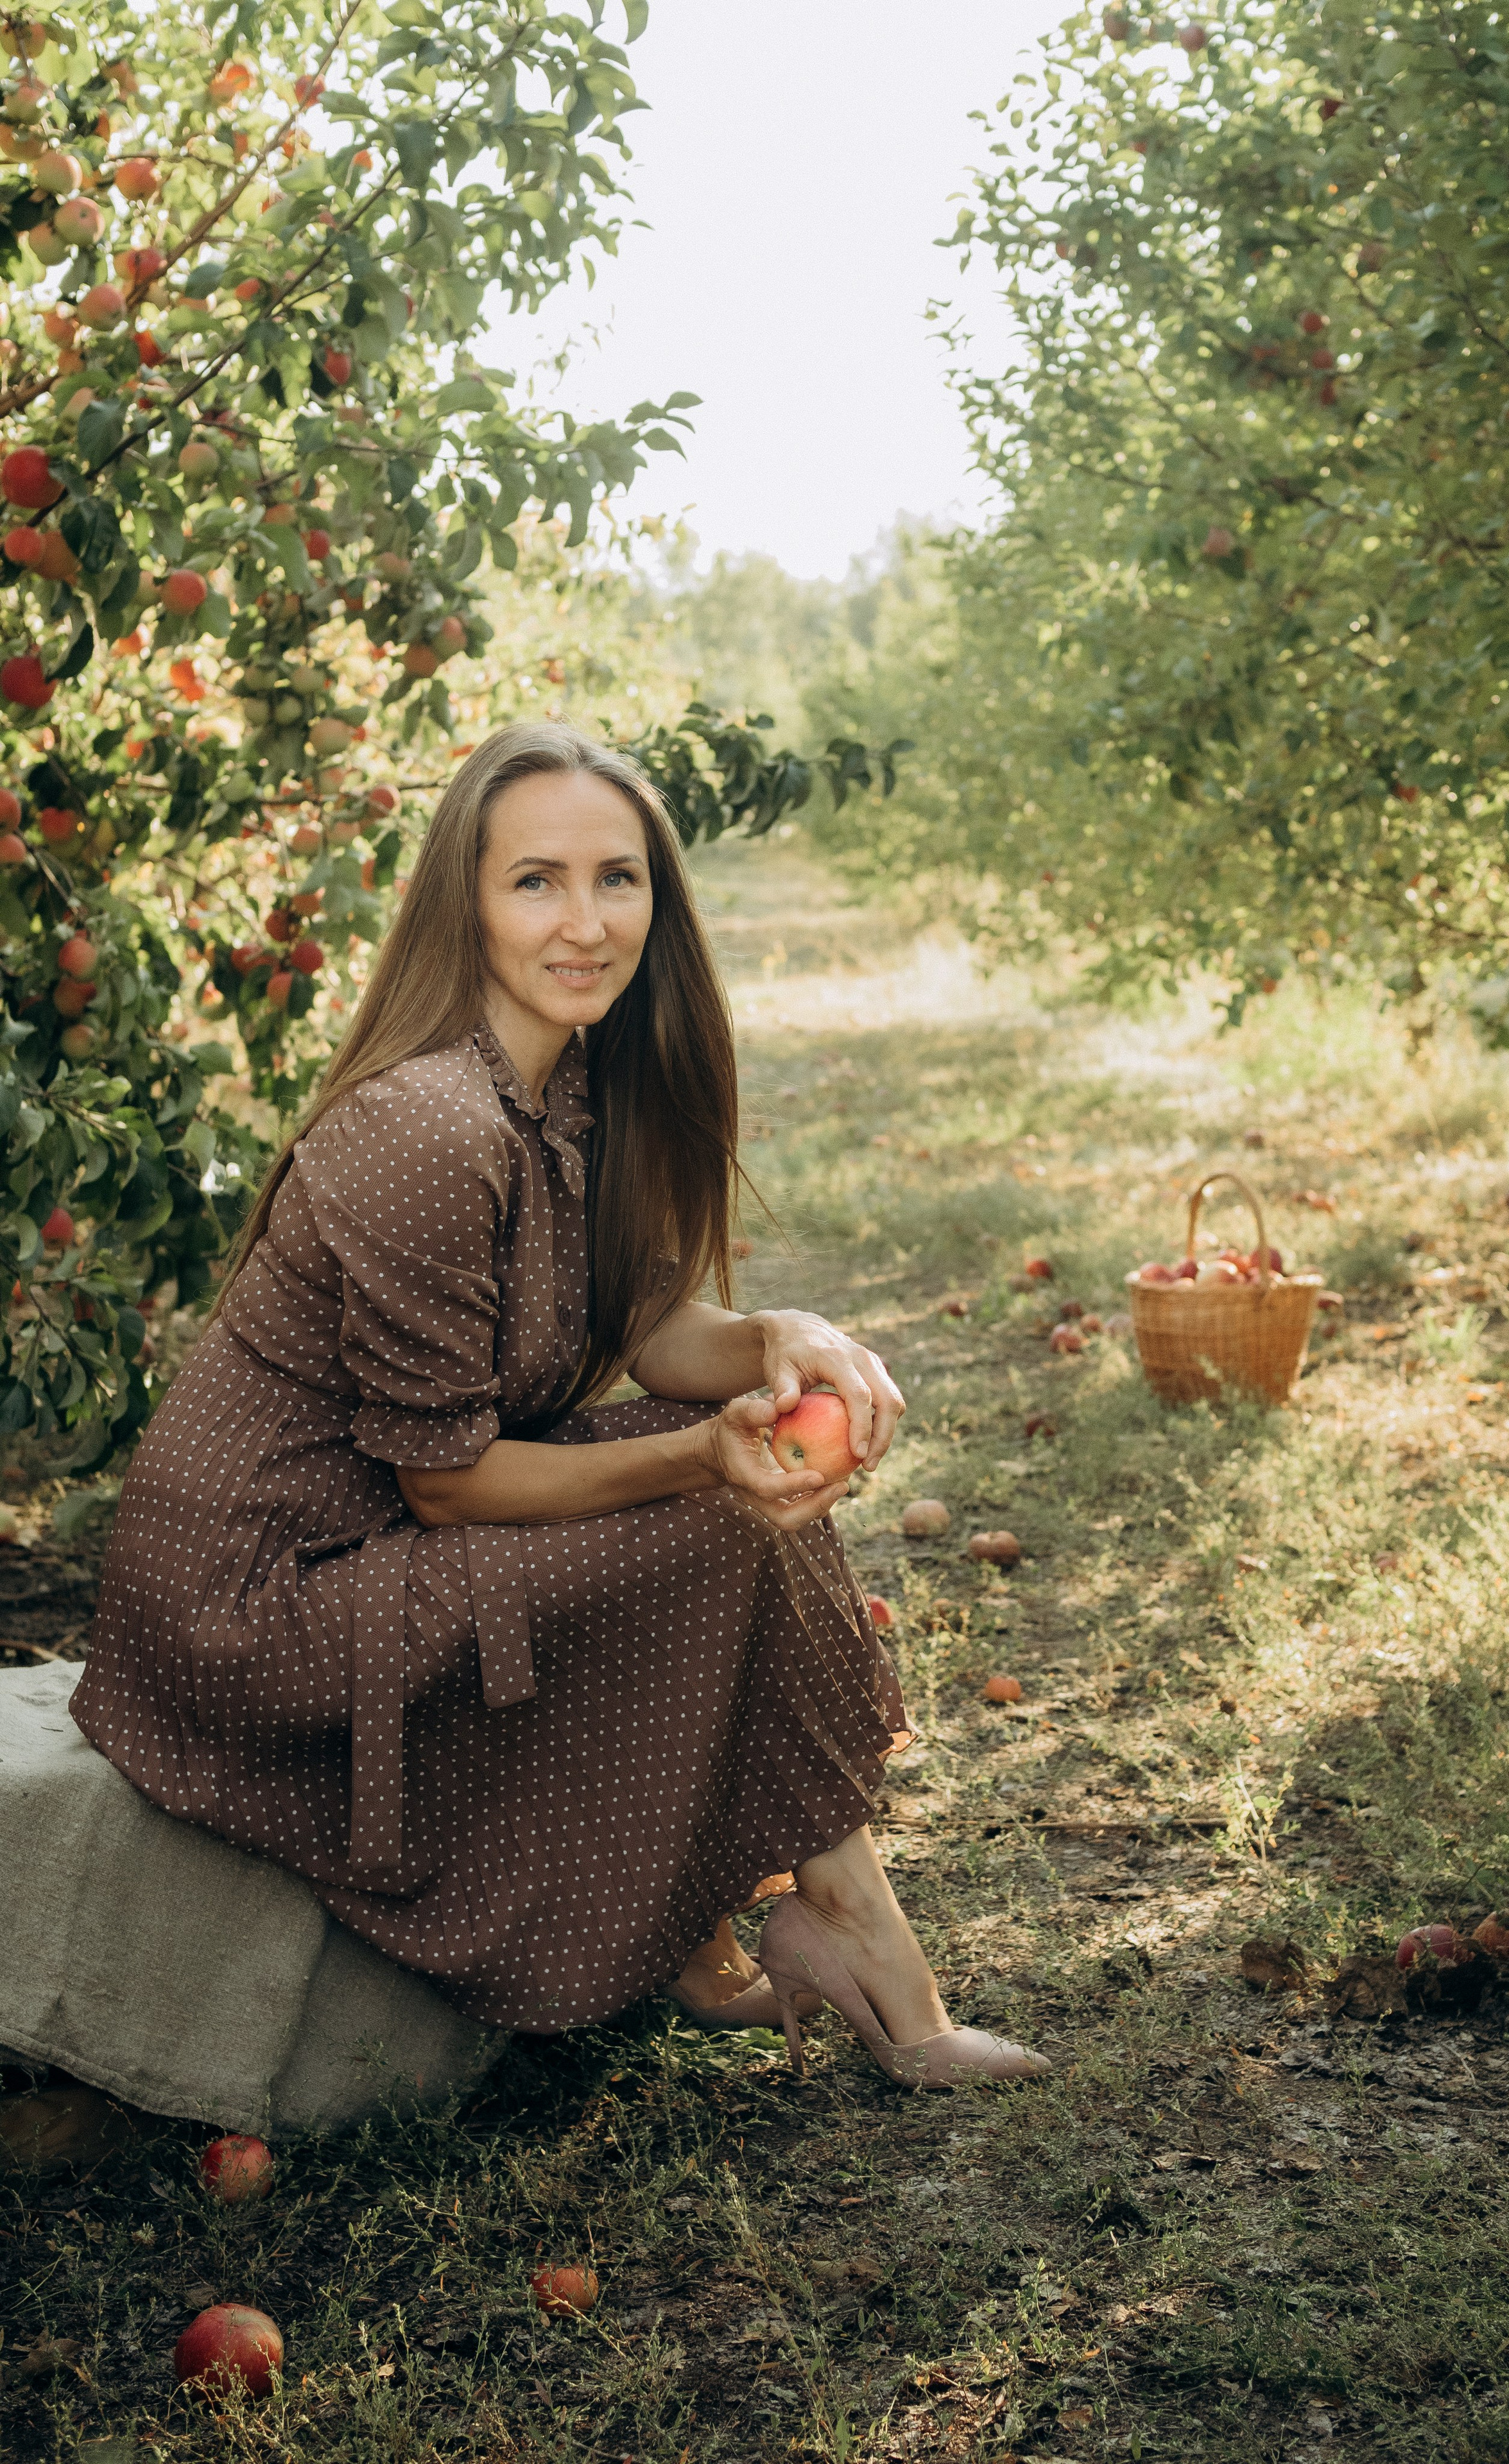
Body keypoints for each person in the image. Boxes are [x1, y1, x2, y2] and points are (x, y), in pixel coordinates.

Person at [71, 723, 1048, 2089]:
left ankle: (820, 1924)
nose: (585, 923)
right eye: (536, 882)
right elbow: (450, 1486)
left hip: (368, 1538)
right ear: (463, 902)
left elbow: (650, 1329)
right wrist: (706, 1456)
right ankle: (846, 1947)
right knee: (711, 1504)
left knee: (706, 1477)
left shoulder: (569, 1085)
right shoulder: (428, 1130)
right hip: (251, 1609)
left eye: (617, 879)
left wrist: (786, 1333)